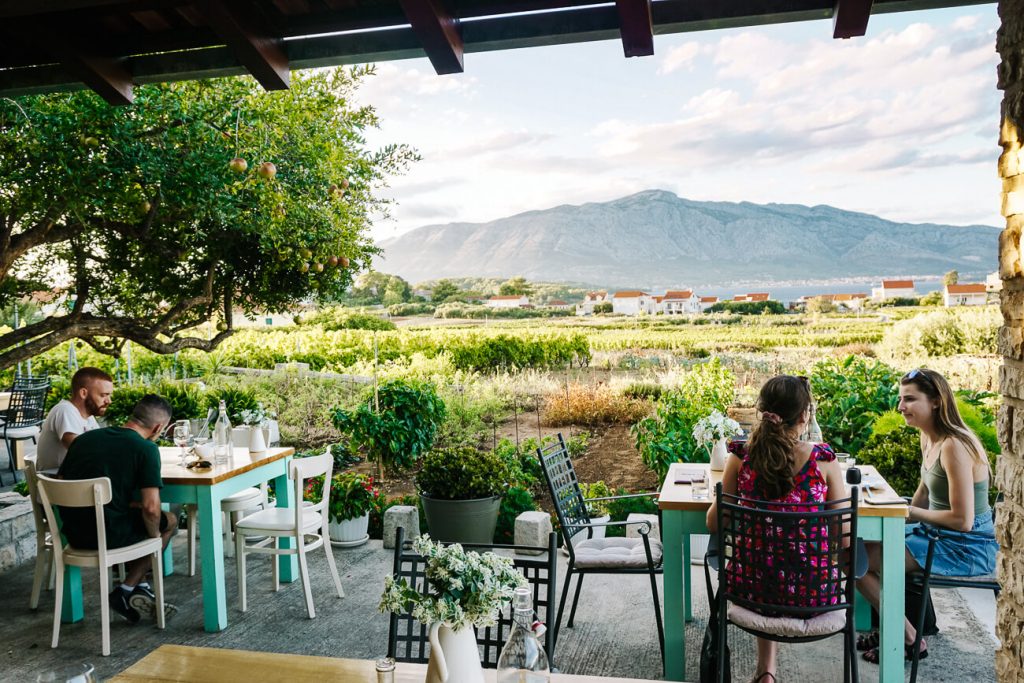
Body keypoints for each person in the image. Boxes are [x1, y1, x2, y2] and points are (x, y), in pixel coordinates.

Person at [706, 375, 848, 683]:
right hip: (814, 594)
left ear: (762, 410)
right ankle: (766, 671)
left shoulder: (740, 457)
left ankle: (765, 673)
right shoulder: (823, 460)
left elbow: (716, 523)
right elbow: (843, 535)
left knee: (766, 559)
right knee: (788, 559)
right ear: (804, 415)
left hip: (752, 589)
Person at [856, 368, 998, 664]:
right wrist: (892, 514)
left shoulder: (954, 446)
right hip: (936, 535)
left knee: (854, 561)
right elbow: (922, 496)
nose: (900, 407)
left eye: (909, 399)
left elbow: (964, 520)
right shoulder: (929, 438)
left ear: (935, 401)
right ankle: (893, 626)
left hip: (964, 546)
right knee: (856, 545)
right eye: (900, 399)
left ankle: (906, 636)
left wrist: (909, 512)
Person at [57, 394, 178, 623]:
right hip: (109, 535)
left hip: (73, 534)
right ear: (158, 427)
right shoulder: (145, 449)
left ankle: (140, 586)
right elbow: (152, 509)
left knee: (134, 513)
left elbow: (63, 480)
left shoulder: (84, 440)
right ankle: (125, 590)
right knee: (167, 520)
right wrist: (152, 543)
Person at [35, 367, 113, 472]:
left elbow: (101, 448)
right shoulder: (64, 411)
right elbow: (81, 452)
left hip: (75, 478)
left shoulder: (88, 417)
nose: (109, 401)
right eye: (103, 395)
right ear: (83, 393)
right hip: (58, 484)